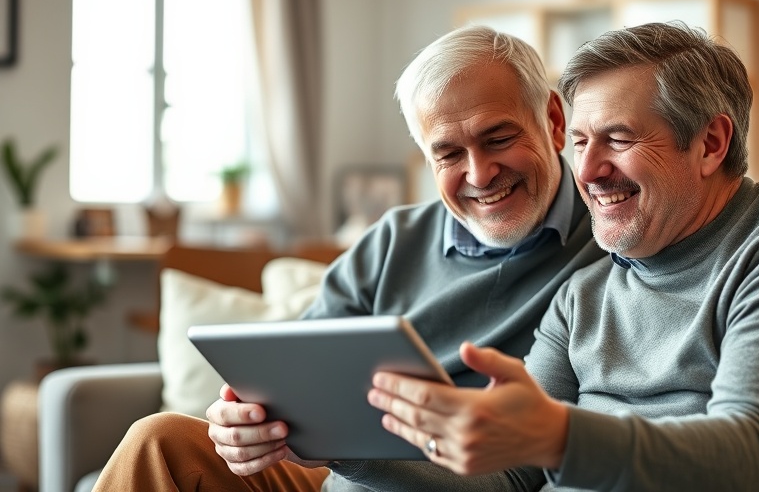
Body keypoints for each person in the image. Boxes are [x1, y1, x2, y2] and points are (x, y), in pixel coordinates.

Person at [365, 21, 759, 491]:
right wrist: (347, 450)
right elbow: (507, 478)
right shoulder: (583, 293)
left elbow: (753, 455)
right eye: (578, 143)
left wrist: (556, 437)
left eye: (617, 139)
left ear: (710, 143)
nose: (588, 172)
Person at [91, 25, 606, 491]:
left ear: (554, 121)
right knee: (158, 440)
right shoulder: (395, 239)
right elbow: (292, 377)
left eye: (498, 139)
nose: (478, 173)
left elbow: (517, 471)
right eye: (448, 154)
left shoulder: (610, 242)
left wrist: (346, 453)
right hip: (335, 478)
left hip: (439, 482)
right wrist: (244, 422)